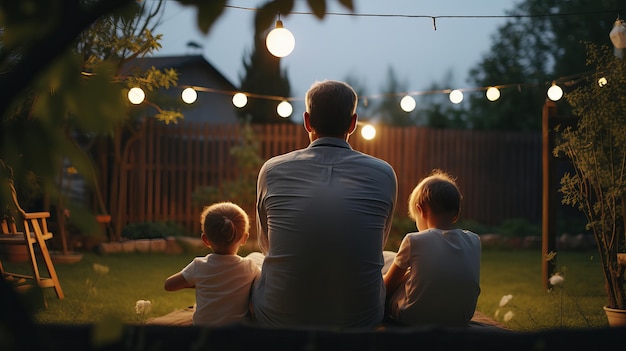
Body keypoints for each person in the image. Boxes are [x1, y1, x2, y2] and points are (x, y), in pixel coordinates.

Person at [250, 80, 398, 329]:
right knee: (392, 258)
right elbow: (377, 242)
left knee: (253, 259)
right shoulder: (383, 173)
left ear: (307, 121)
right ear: (353, 123)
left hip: (279, 317)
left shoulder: (272, 170)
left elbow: (267, 245)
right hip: (360, 318)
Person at [383, 169, 481, 327]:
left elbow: (386, 287)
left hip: (412, 317)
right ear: (456, 215)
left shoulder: (414, 240)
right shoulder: (474, 240)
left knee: (386, 267)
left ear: (420, 210)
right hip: (460, 318)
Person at [164, 202, 260, 326]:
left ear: (205, 240)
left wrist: (200, 282)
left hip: (203, 333)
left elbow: (169, 285)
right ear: (244, 238)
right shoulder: (249, 267)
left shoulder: (199, 266)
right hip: (236, 335)